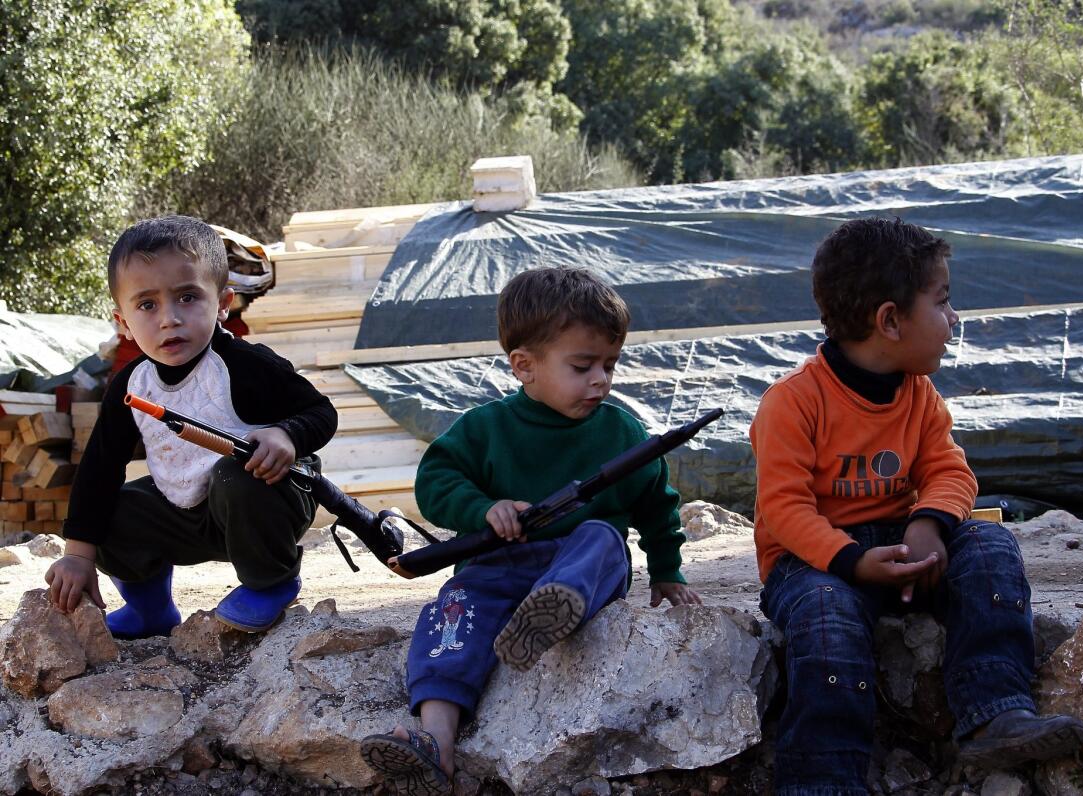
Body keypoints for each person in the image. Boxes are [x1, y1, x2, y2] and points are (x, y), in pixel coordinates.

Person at [750, 218, 1083, 795]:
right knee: (826, 619)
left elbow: (950, 470)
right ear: (889, 321)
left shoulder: (919, 394)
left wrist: (929, 526)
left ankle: (995, 709)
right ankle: (822, 779)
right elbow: (783, 509)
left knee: (990, 545)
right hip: (815, 566)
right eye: (943, 302)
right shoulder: (792, 403)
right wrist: (853, 561)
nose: (954, 320)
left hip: (907, 548)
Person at [360, 267, 702, 795]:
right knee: (454, 612)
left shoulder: (622, 432)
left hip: (585, 568)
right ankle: (435, 741)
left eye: (610, 365)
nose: (601, 380)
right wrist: (484, 507)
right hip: (499, 565)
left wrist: (667, 571)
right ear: (525, 366)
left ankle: (554, 604)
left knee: (602, 538)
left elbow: (658, 506)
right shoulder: (485, 429)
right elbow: (435, 483)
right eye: (582, 365)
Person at [44, 215, 336, 635]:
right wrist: (77, 554)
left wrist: (286, 434)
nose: (169, 319)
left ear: (222, 303)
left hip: (264, 500)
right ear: (122, 323)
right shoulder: (131, 385)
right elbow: (99, 468)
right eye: (147, 305)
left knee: (235, 473)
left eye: (187, 297)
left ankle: (271, 584)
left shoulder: (245, 364)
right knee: (109, 508)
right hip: (184, 512)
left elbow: (321, 412)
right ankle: (150, 608)